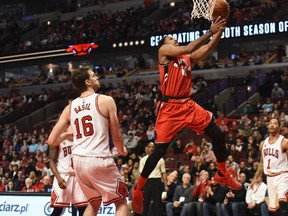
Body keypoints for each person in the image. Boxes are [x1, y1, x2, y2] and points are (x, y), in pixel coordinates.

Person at [131, 14, 242, 215]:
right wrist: (210, 31)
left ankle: (222, 173)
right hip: (170, 107)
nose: (174, 40)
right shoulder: (163, 51)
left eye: (174, 39)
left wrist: (219, 33)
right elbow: (189, 47)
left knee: (217, 133)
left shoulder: (185, 59)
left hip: (187, 105)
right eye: (171, 39)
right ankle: (138, 190)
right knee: (159, 152)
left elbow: (207, 49)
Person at [47, 66, 130, 216]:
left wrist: (66, 135)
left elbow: (51, 140)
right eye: (94, 76)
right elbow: (116, 135)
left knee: (94, 203)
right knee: (121, 201)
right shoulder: (106, 100)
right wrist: (122, 149)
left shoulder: (70, 107)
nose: (97, 77)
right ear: (87, 82)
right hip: (99, 158)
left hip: (78, 162)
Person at [251, 118, 288, 215]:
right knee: (274, 210)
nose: (271, 125)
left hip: (283, 176)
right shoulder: (263, 144)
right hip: (270, 178)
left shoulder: (284, 142)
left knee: (283, 204)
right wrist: (255, 178)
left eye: (275, 123)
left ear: (279, 127)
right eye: (270, 123)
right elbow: (261, 163)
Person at [49, 127, 88, 216]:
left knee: (83, 208)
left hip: (78, 177)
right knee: (58, 210)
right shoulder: (58, 142)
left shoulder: (82, 141)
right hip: (63, 175)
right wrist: (58, 178)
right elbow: (51, 161)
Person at [140, 142, 167, 216]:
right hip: (147, 181)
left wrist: (165, 185)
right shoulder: (143, 160)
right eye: (150, 147)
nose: (151, 148)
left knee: (157, 203)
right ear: (147, 148)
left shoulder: (160, 159)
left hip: (157, 181)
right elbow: (140, 174)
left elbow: (164, 172)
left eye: (153, 147)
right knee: (145, 203)